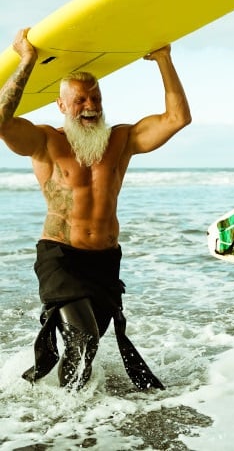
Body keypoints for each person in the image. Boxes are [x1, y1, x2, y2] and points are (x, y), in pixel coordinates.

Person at [0, 28, 191, 390]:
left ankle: (64, 406)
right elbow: (1, 121)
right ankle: (68, 418)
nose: (90, 106)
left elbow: (177, 118)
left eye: (96, 98)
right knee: (84, 338)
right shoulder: (45, 141)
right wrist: (26, 61)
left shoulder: (121, 139)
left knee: (87, 342)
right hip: (60, 256)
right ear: (61, 105)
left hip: (104, 262)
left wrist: (164, 60)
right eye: (80, 100)